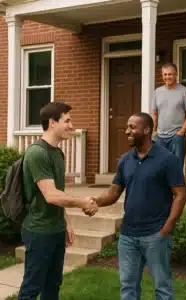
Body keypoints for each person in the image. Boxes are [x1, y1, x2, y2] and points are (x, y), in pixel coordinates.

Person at [92, 112, 186, 300]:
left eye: (132, 127)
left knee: (162, 287)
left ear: (146, 130)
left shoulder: (167, 159)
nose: (127, 131)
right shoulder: (125, 160)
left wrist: (166, 229)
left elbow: (181, 195)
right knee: (128, 286)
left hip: (156, 234)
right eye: (127, 126)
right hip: (128, 235)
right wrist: (94, 202)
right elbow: (113, 192)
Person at [18, 102, 98, 300]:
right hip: (39, 231)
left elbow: (59, 194)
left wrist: (67, 223)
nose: (72, 126)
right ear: (52, 123)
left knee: (53, 285)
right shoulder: (37, 153)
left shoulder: (57, 153)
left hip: (55, 229)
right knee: (32, 286)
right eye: (67, 121)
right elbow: (51, 195)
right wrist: (83, 202)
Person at [151, 62, 186, 170]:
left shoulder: (184, 91)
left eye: (170, 74)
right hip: (160, 138)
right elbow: (154, 113)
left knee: (176, 169)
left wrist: (182, 131)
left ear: (176, 74)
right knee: (158, 168)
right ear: (162, 75)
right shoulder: (157, 92)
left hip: (176, 138)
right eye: (165, 74)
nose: (167, 77)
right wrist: (154, 131)